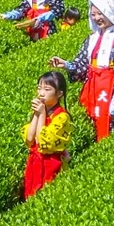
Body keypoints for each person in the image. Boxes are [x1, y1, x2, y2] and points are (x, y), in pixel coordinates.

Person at [50, 0, 114, 141]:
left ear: (109, 13)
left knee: (109, 122)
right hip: (92, 85)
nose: (96, 18)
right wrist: (67, 64)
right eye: (93, 14)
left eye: (100, 13)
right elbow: (82, 62)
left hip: (109, 87)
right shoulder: (92, 38)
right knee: (90, 120)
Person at [23, 71, 72, 199]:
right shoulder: (42, 110)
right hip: (35, 163)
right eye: (39, 88)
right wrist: (37, 114)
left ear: (59, 94)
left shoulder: (62, 117)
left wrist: (42, 114)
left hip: (51, 164)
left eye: (47, 89)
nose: (41, 93)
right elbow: (29, 139)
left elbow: (42, 143)